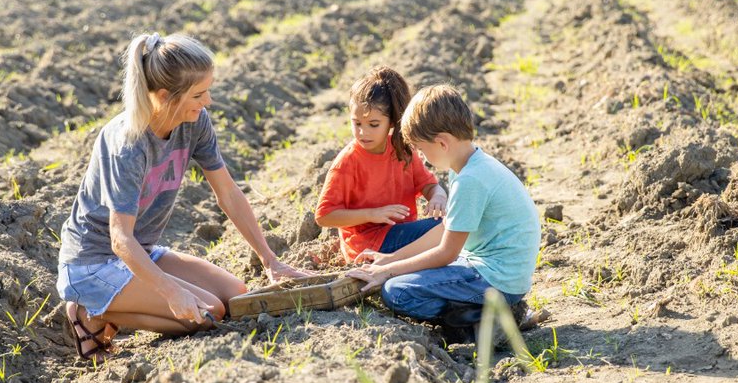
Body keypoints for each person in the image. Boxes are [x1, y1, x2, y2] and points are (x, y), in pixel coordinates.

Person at [57, 31, 308, 361]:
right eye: (199, 94)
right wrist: (170, 290)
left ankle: (120, 303)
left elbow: (228, 193)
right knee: (209, 314)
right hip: (94, 262)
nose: (208, 102)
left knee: (237, 296)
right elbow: (120, 240)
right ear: (164, 96)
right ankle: (93, 313)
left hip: (141, 252)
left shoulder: (195, 122)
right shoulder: (129, 147)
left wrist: (270, 260)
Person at [348, 84, 541, 343]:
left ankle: (487, 319)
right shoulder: (468, 164)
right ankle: (486, 315)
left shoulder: (471, 180)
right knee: (400, 275)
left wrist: (387, 272)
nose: (421, 156)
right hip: (493, 271)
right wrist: (391, 258)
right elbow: (444, 230)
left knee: (397, 291)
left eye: (421, 148)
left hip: (496, 279)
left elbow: (446, 252)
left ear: (441, 143)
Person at [315, 67, 447, 261]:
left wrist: (438, 196)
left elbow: (428, 185)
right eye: (357, 123)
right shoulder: (347, 162)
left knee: (452, 225)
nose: (363, 132)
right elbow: (324, 216)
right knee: (448, 229)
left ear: (392, 122)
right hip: (367, 243)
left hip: (399, 232)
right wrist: (372, 214)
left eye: (373, 125)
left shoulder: (403, 150)